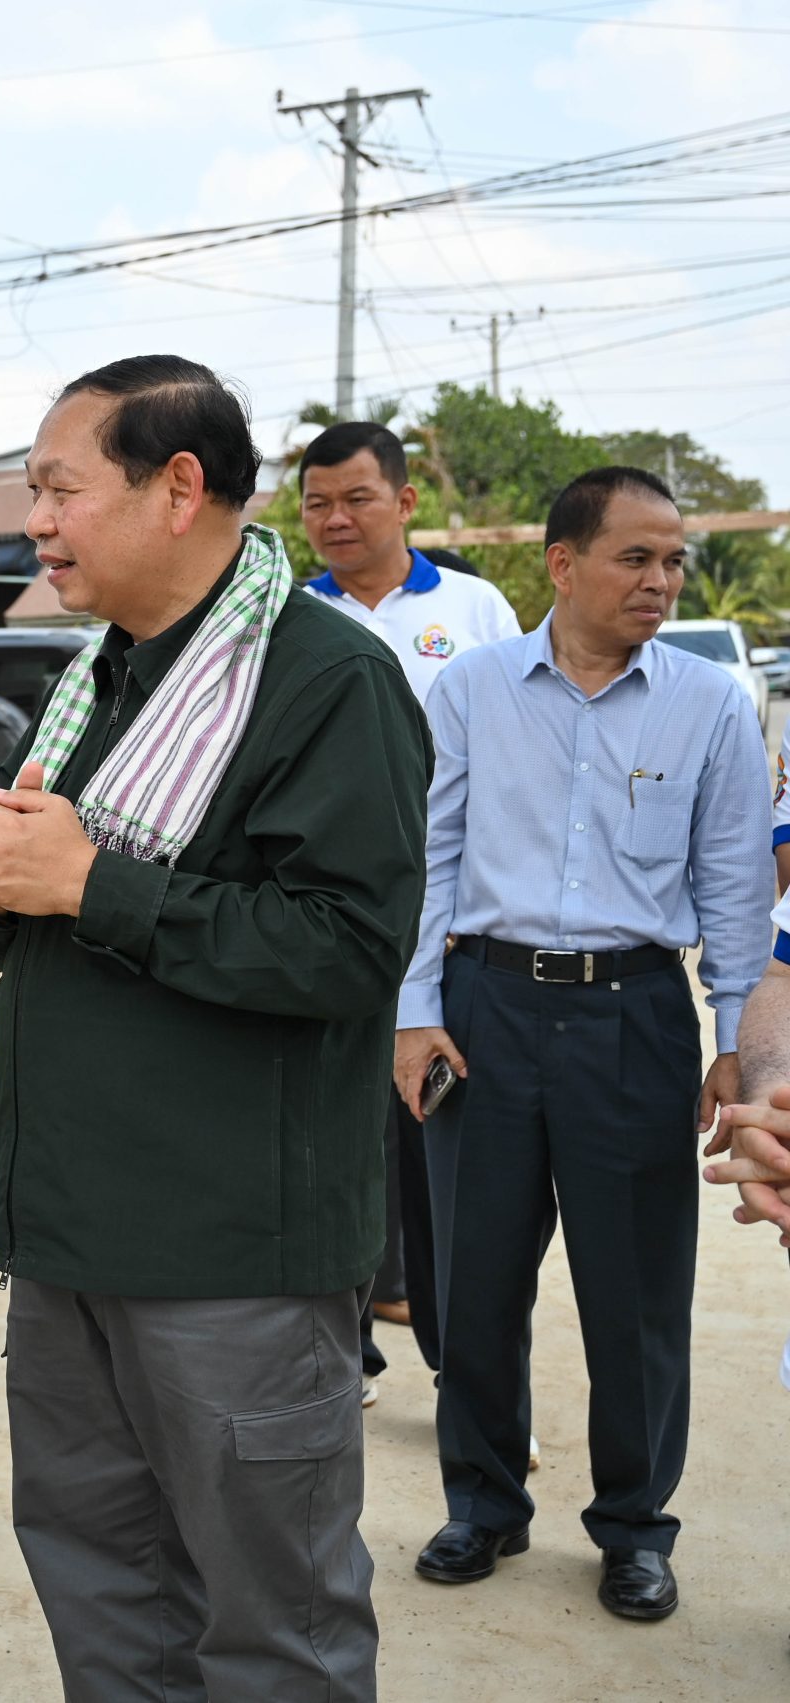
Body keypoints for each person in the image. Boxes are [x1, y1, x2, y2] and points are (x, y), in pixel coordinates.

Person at [0, 355, 427, 1701]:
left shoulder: (326, 681)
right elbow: (51, 902)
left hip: (234, 1259)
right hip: (73, 1239)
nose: (37, 521)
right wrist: (7, 874)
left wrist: (94, 882)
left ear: (177, 487)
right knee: (102, 1587)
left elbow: (344, 946)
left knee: (275, 1619)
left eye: (59, 489)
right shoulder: (102, 678)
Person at [395, 464, 770, 1623]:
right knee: (474, 1275)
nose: (660, 581)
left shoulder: (707, 703)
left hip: (636, 1018)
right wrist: (415, 1008)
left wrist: (731, 1036)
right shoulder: (471, 691)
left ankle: (632, 1527)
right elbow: (430, 856)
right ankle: (484, 1501)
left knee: (636, 1293)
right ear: (561, 563)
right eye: (636, 558)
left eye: (674, 562)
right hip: (487, 1004)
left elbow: (733, 882)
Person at [296, 420, 523, 1396]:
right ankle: (343, 1345)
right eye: (314, 503)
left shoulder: (474, 609)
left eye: (354, 497)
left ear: (404, 501)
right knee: (326, 1139)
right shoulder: (281, 616)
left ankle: (455, 1362)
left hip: (451, 928)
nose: (334, 518)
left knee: (439, 1146)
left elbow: (527, 751)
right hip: (322, 920)